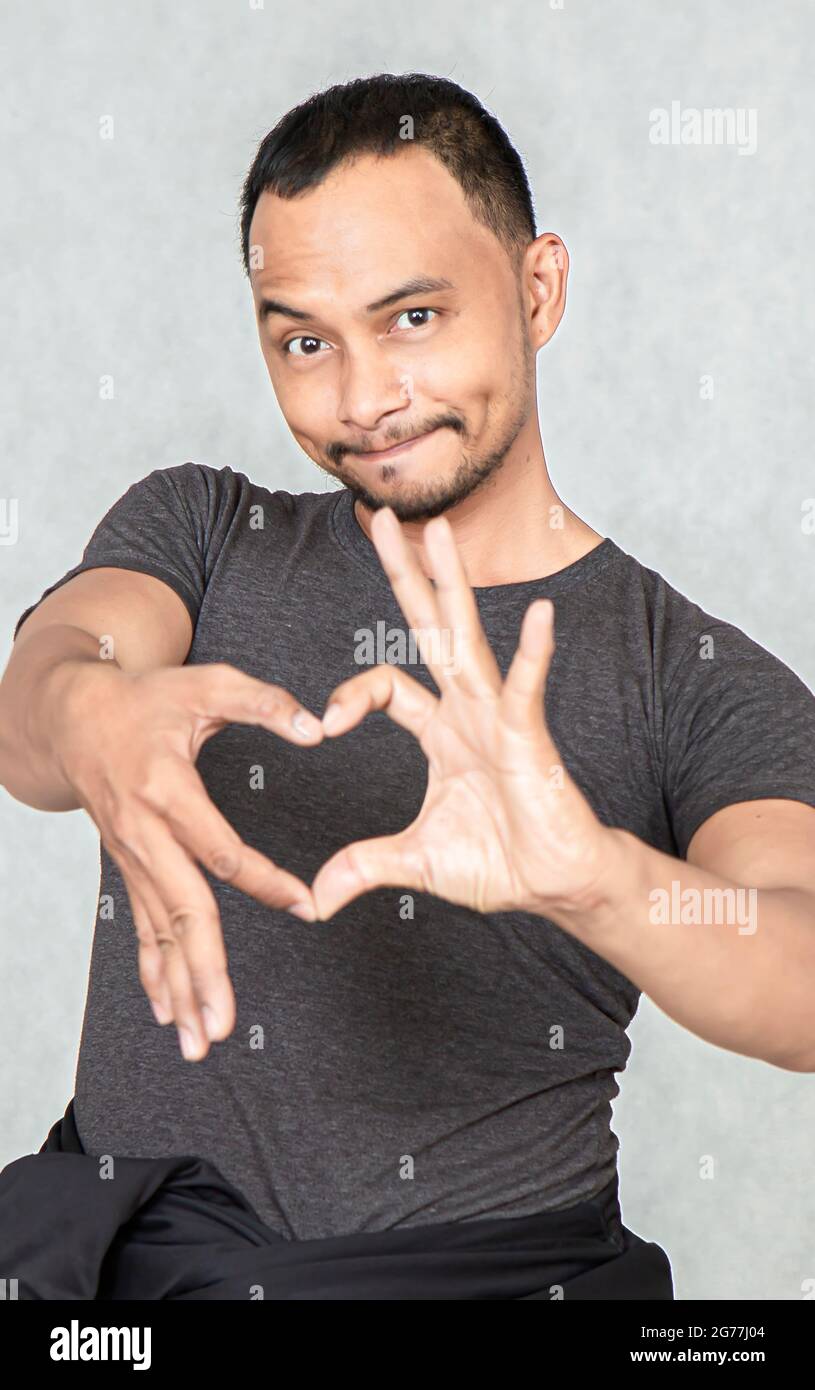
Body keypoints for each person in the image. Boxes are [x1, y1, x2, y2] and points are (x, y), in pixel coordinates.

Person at [1, 72, 814, 1301]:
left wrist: (598, 878)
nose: (361, 398)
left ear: (536, 289)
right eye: (305, 340)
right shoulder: (205, 529)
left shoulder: (685, 672)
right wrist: (84, 710)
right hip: (119, 1284)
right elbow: (45, 694)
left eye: (415, 317)